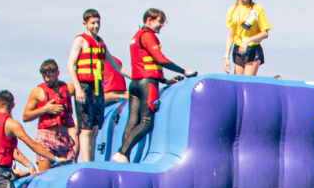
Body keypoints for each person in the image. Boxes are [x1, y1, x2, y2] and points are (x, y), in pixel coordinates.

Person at [112, 10, 197, 163]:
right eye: (160, 22)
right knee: (146, 123)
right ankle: (122, 153)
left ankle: (123, 156)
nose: (161, 26)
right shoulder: (147, 35)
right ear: (149, 20)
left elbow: (146, 63)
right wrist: (184, 71)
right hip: (147, 84)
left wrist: (165, 80)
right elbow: (160, 59)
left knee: (132, 121)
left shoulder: (135, 36)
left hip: (135, 84)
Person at [68, 9, 129, 163]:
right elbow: (70, 66)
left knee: (95, 128)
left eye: (98, 23)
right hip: (84, 87)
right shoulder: (80, 40)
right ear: (85, 23)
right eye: (92, 23)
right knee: (86, 128)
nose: (96, 26)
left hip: (97, 88)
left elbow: (116, 66)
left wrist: (135, 76)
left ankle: (92, 160)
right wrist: (78, 88)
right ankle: (86, 163)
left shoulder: (101, 43)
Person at [23, 59, 77, 171]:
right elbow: (25, 116)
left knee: (70, 172)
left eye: (50, 76)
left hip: (64, 137)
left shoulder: (69, 88)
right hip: (45, 137)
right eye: (44, 76)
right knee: (45, 175)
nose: (47, 79)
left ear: (58, 73)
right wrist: (45, 109)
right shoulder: (37, 92)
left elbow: (87, 88)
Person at [225, 0, 270, 75]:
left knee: (247, 82)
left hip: (252, 49)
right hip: (238, 50)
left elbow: (265, 33)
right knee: (238, 83)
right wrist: (226, 57)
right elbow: (230, 36)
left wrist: (247, 40)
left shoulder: (257, 9)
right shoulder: (232, 10)